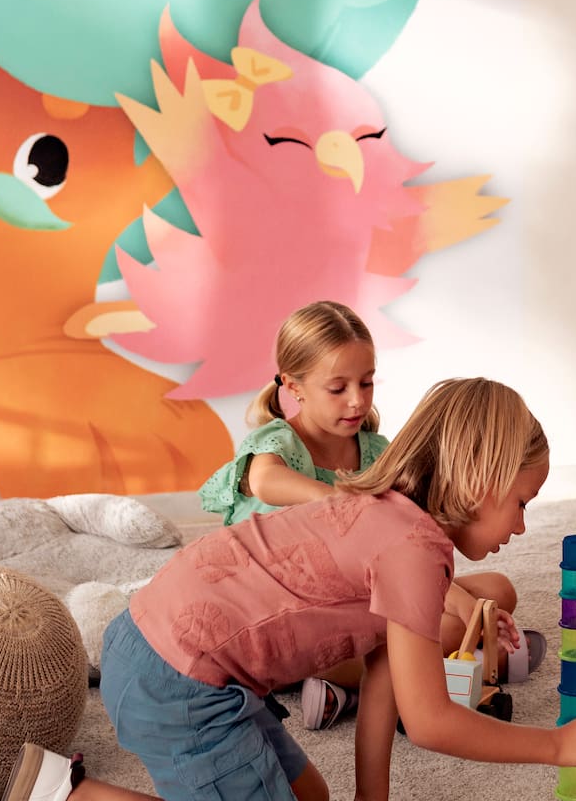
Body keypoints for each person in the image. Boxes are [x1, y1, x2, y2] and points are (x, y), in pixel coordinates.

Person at [0, 377, 576, 801]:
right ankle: (73, 800)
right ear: (477, 480)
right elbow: (430, 722)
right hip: (175, 679)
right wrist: (557, 745)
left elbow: (383, 676)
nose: (520, 525)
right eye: (520, 502)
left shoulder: (384, 514)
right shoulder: (414, 551)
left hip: (173, 654)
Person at [198, 302, 543, 727]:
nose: (357, 401)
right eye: (338, 388)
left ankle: (370, 687)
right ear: (294, 386)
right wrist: (347, 504)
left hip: (359, 599)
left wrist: (464, 602)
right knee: (442, 630)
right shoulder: (277, 441)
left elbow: (410, 548)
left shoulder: (375, 450)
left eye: (367, 383)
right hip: (292, 620)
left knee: (495, 591)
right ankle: (403, 679)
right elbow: (267, 482)